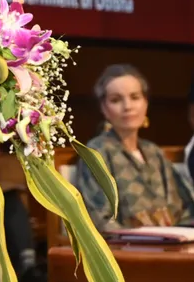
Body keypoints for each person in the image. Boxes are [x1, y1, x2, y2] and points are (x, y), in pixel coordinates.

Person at [74, 64, 194, 232]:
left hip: (175, 247)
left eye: (135, 97)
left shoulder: (154, 152)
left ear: (145, 103)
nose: (127, 107)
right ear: (104, 109)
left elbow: (187, 207)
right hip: (127, 251)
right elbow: (100, 220)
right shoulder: (97, 152)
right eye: (116, 100)